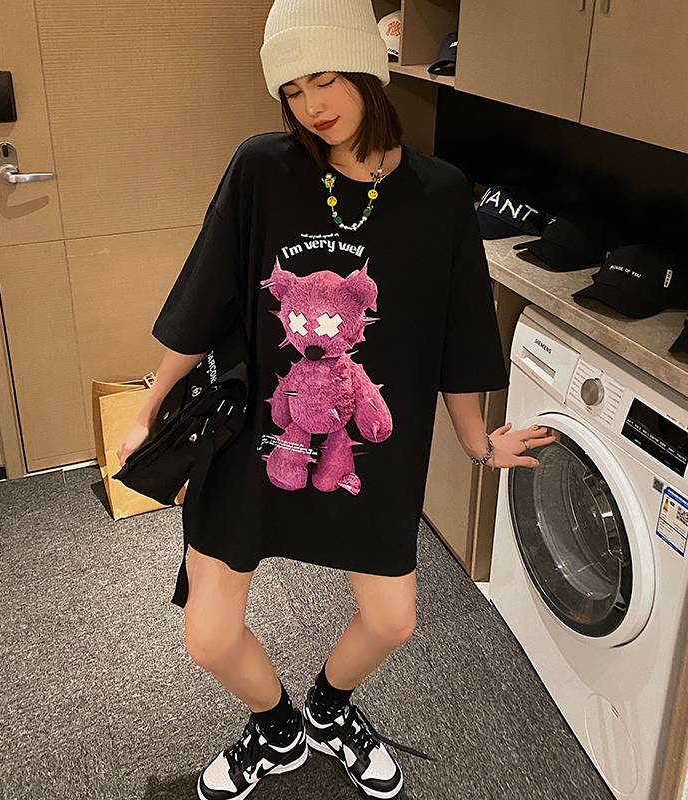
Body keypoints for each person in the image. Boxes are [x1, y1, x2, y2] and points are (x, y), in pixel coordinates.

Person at [118, 1, 556, 798]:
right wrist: (150, 408)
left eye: (324, 80)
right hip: (254, 431)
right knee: (209, 638)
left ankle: (327, 708)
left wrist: (477, 439)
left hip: (367, 449)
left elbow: (459, 329)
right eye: (292, 91)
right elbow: (205, 295)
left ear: (366, 68)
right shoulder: (263, 167)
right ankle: (276, 727)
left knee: (392, 620)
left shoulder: (440, 193)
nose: (312, 106)